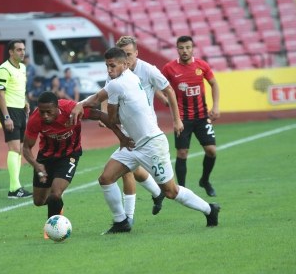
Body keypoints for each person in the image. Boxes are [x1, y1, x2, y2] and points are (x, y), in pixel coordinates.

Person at [72, 47, 219, 234]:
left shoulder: (119, 84)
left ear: (125, 65)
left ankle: (210, 209)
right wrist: (81, 104)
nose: (109, 70)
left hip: (151, 144)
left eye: (112, 66)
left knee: (171, 191)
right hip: (133, 144)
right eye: (107, 66)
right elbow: (97, 97)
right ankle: (121, 222)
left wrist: (88, 110)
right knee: (106, 178)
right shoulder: (125, 78)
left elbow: (110, 115)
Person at [92, 35, 183, 222]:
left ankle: (129, 217)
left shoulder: (147, 69)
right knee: (130, 169)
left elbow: (166, 89)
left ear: (136, 53)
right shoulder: (115, 72)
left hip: (143, 126)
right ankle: (154, 195)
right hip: (125, 124)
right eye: (123, 55)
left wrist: (176, 119)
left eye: (129, 54)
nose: (127, 59)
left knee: (127, 169)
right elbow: (106, 93)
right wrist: (104, 114)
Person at [23, 91, 129, 224]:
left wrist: (122, 137)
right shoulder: (35, 119)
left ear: (57, 108)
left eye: (48, 112)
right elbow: (26, 148)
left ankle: (53, 227)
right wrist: (36, 165)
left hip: (69, 155)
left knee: (55, 194)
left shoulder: (71, 109)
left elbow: (100, 115)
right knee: (39, 201)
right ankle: (56, 203)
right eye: (41, 111)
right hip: (45, 158)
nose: (44, 115)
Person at [161, 35, 221, 197]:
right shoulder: (169, 68)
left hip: (202, 116)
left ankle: (205, 180)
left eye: (188, 47)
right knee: (182, 153)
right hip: (182, 119)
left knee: (211, 150)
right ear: (177, 49)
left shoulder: (202, 65)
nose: (185, 51)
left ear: (192, 48)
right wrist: (165, 99)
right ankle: (181, 189)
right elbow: (156, 85)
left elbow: (214, 84)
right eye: (181, 48)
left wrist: (216, 106)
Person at [0, 40, 32, 199]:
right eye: (18, 50)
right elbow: (0, 94)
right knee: (15, 149)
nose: (22, 52)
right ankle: (14, 188)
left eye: (23, 49)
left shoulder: (23, 67)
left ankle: (16, 186)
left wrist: (25, 101)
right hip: (9, 111)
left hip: (20, 110)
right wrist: (6, 117)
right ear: (11, 52)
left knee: (20, 150)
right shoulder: (4, 69)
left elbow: (20, 89)